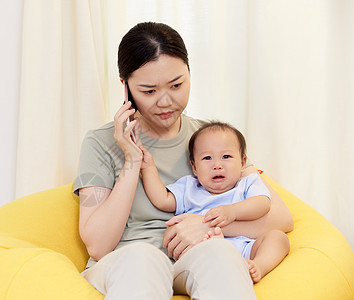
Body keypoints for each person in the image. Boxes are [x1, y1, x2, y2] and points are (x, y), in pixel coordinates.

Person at [74, 22, 293, 299]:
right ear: (125, 87)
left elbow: (281, 219)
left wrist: (207, 225)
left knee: (220, 254)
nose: (165, 101)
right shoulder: (101, 143)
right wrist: (131, 160)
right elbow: (98, 245)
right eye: (149, 91)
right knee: (142, 259)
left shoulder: (213, 138)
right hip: (127, 260)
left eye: (176, 85)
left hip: (195, 257)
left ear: (189, 73)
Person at [140, 121, 290, 283]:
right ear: (194, 167)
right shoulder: (190, 187)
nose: (217, 165)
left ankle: (257, 267)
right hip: (204, 250)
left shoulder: (247, 184)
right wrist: (148, 167)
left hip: (245, 248)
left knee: (278, 238)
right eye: (207, 158)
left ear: (242, 162)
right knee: (187, 247)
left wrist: (232, 212)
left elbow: (262, 204)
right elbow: (162, 199)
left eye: (226, 156)